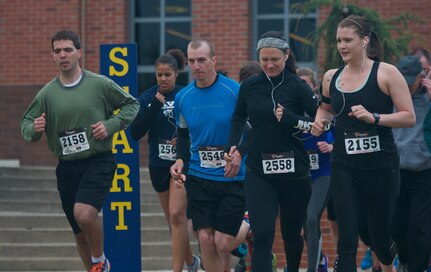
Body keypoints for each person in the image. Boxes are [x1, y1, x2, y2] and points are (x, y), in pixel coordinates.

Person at [20, 30, 140, 272]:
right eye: (57, 51)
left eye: (67, 50)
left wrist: (110, 125)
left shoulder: (100, 84)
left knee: (84, 214)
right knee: (78, 234)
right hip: (67, 166)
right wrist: (34, 128)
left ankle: (100, 261)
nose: (63, 55)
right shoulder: (46, 93)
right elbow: (26, 125)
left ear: (79, 53)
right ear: (53, 57)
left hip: (98, 160)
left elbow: (132, 104)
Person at [311, 15, 415, 272]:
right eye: (338, 41)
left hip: (381, 166)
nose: (342, 46)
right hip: (345, 165)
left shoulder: (386, 73)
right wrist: (319, 122)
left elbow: (408, 117)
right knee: (347, 237)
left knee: (379, 238)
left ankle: (388, 267)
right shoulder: (331, 77)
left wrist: (374, 117)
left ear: (365, 40)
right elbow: (325, 110)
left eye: (348, 40)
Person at [226, 31, 318, 272]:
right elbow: (238, 117)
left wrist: (292, 119)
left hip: (294, 172)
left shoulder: (298, 87)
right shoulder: (249, 86)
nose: (269, 64)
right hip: (259, 170)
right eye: (264, 59)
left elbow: (321, 124)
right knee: (263, 235)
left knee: (290, 236)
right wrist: (233, 145)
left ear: (286, 56)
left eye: (274, 59)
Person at [170, 38, 247, 272]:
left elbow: (253, 129)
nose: (196, 66)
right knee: (204, 238)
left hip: (231, 177)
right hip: (199, 176)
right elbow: (182, 135)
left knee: (222, 243)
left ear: (213, 60)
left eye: (201, 60)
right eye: (191, 61)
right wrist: (180, 160)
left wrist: (240, 153)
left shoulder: (234, 91)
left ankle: (247, 226)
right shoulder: (183, 98)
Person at [130, 49, 200, 272]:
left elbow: (196, 128)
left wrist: (181, 141)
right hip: (158, 163)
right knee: (173, 222)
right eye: (159, 74)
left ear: (177, 73)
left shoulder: (186, 94)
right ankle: (192, 263)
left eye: (167, 74)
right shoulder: (148, 97)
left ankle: (177, 269)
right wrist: (155, 106)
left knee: (177, 214)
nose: (162, 79)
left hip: (181, 163)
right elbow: (135, 132)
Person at [393, 55, 431, 272]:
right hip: (396, 171)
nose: (406, 85)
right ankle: (406, 260)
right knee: (395, 227)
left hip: (424, 172)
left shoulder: (428, 97)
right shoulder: (389, 95)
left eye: (410, 80)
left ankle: (415, 268)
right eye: (402, 79)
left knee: (420, 228)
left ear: (421, 76)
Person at [298, 68, 333, 272]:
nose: (302, 87)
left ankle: (313, 268)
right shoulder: (292, 109)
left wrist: (331, 146)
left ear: (313, 86)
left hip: (323, 172)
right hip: (301, 174)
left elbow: (340, 133)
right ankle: (320, 260)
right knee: (306, 226)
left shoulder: (324, 108)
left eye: (306, 84)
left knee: (312, 217)